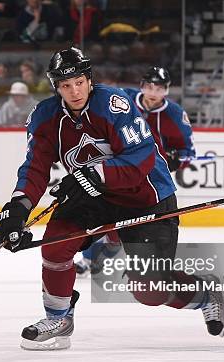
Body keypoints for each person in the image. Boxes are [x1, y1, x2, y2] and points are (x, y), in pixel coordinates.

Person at [0, 47, 224, 351]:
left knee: (148, 290)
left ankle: (204, 293)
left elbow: (141, 158)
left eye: (79, 82)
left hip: (145, 195)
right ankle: (59, 318)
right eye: (65, 86)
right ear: (56, 87)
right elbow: (35, 168)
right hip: (93, 195)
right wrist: (17, 208)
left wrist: (92, 175)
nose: (74, 91)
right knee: (56, 244)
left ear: (89, 79)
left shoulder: (114, 105)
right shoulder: (45, 117)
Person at [76, 66, 196, 278]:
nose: (153, 92)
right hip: (119, 170)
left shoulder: (176, 115)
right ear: (141, 86)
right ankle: (88, 259)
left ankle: (99, 258)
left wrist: (177, 160)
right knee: (104, 219)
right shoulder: (123, 99)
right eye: (149, 86)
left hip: (151, 179)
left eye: (159, 88)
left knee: (122, 228)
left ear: (167, 90)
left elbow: (188, 152)